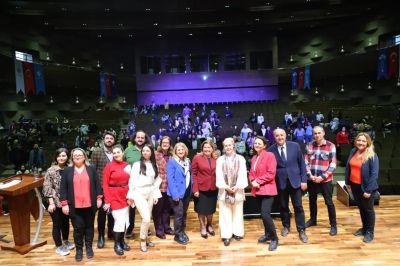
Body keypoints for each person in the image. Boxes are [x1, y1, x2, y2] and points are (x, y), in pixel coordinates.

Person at [266, 128, 309, 244]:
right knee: (283, 206)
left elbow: (302, 164)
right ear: (274, 137)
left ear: (286, 135)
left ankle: (301, 230)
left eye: (282, 135)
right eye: (277, 136)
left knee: (298, 207)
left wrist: (304, 180)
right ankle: (286, 226)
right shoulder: (270, 150)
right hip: (280, 183)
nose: (280, 137)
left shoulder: (295, 146)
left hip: (295, 182)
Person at [60, 148, 102, 262]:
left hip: (90, 205)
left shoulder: (91, 169)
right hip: (74, 206)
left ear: (84, 157)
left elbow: (97, 184)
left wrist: (99, 198)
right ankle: (79, 249)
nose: (77, 157)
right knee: (78, 229)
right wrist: (64, 204)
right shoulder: (67, 170)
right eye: (75, 155)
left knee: (89, 228)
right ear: (72, 158)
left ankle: (88, 248)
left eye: (79, 155)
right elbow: (63, 188)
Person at [127, 144, 162, 252]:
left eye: (147, 151)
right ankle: (142, 240)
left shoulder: (154, 164)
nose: (145, 152)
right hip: (139, 193)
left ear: (151, 152)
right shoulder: (137, 165)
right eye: (144, 151)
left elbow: (157, 180)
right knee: (146, 218)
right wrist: (131, 196)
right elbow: (132, 181)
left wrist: (156, 194)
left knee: (148, 218)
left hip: (151, 192)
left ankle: (146, 238)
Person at [345, 133, 379, 243]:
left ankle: (370, 232)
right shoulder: (353, 151)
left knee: (368, 210)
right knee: (361, 207)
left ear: (368, 142)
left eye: (363, 141)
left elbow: (374, 174)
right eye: (359, 140)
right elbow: (348, 168)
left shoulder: (372, 155)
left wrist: (368, 190)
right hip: (355, 186)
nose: (361, 142)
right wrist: (347, 183)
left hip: (366, 187)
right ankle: (364, 228)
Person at [304, 126, 337, 236]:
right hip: (312, 179)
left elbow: (333, 165)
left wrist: (322, 177)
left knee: (329, 202)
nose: (317, 135)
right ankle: (313, 220)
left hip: (325, 180)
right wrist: (310, 175)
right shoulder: (309, 145)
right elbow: (306, 163)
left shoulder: (330, 146)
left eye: (319, 133)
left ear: (323, 133)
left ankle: (333, 225)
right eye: (315, 133)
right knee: (312, 200)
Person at [216, 138, 248, 246]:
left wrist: (237, 186)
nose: (228, 147)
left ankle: (237, 232)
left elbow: (243, 174)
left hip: (237, 190)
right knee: (225, 212)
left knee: (238, 211)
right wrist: (225, 187)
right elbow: (218, 175)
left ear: (233, 146)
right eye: (226, 146)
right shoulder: (220, 160)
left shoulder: (241, 159)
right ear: (223, 147)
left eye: (230, 145)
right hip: (224, 191)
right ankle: (226, 235)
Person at [43, 148, 75, 256]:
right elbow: (47, 187)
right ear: (56, 157)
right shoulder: (51, 170)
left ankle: (65, 240)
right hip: (55, 202)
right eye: (59, 156)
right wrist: (51, 203)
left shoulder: (70, 168)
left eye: (64, 156)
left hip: (66, 201)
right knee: (57, 224)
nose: (61, 158)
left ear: (67, 157)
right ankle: (59, 246)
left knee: (65, 222)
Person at [249, 136, 278, 251]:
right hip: (257, 190)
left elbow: (271, 173)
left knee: (266, 215)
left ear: (264, 145)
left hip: (268, 190)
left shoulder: (270, 155)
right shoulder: (254, 158)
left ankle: (275, 238)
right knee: (263, 215)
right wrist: (252, 181)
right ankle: (267, 235)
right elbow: (251, 172)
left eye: (259, 143)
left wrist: (258, 181)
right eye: (255, 143)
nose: (257, 145)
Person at [102, 145, 131, 256]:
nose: (116, 154)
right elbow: (105, 184)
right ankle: (117, 244)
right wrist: (107, 200)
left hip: (126, 195)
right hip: (114, 196)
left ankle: (122, 241)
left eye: (118, 152)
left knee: (124, 220)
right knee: (118, 220)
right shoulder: (109, 166)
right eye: (114, 153)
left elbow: (132, 182)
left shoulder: (127, 165)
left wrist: (131, 196)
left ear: (122, 153)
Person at [90, 131, 115, 248]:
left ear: (114, 140)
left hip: (114, 188)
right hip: (101, 188)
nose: (109, 140)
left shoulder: (117, 151)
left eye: (111, 138)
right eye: (107, 138)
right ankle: (101, 235)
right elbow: (92, 171)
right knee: (102, 213)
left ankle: (111, 232)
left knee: (112, 212)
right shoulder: (97, 152)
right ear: (103, 140)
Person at [123, 130, 150, 238]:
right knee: (131, 207)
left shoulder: (148, 149)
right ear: (134, 138)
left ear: (145, 139)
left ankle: (146, 227)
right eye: (138, 137)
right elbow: (123, 164)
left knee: (146, 207)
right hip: (132, 185)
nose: (140, 139)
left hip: (146, 184)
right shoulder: (128, 150)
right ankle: (130, 227)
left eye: (142, 138)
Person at [167, 142, 192, 245]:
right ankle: (177, 235)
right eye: (178, 150)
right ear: (175, 152)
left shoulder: (187, 161)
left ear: (185, 150)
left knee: (184, 213)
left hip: (186, 192)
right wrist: (175, 194)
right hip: (176, 193)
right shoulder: (172, 162)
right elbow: (170, 179)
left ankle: (182, 231)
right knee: (178, 214)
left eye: (182, 149)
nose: (181, 151)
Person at [192, 140, 218, 239]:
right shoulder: (197, 158)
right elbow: (193, 174)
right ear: (202, 148)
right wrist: (195, 189)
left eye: (209, 147)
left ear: (212, 149)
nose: (207, 149)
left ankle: (209, 225)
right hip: (201, 188)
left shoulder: (216, 158)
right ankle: (202, 226)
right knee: (201, 210)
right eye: (205, 147)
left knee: (211, 210)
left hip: (213, 188)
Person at [152, 136, 174, 239]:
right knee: (158, 210)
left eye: (167, 142)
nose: (165, 144)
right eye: (163, 142)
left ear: (170, 144)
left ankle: (167, 228)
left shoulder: (172, 155)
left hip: (169, 186)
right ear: (160, 143)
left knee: (166, 209)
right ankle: (159, 230)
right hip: (159, 185)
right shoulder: (156, 154)